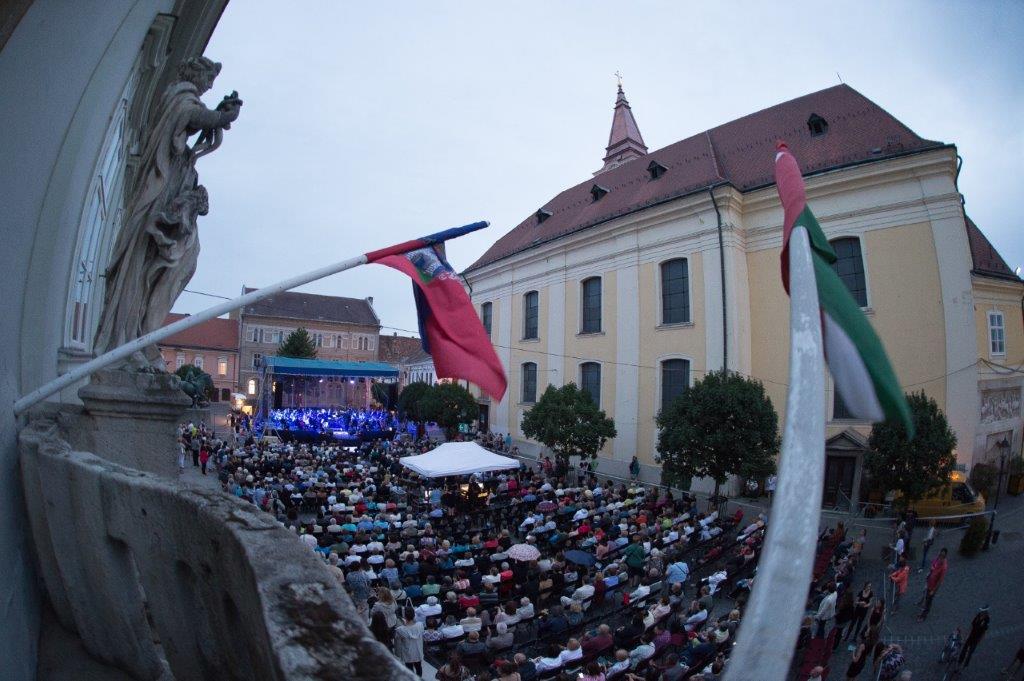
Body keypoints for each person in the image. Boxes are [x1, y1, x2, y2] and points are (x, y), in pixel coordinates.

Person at [917, 548, 948, 621]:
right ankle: (922, 613)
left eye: (942, 554)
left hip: (933, 587)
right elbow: (933, 567)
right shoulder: (938, 559)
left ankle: (923, 616)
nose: (940, 555)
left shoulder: (944, 566)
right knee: (926, 598)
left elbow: (940, 580)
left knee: (928, 601)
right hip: (929, 582)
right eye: (940, 553)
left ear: (945, 555)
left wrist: (933, 590)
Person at [394, 608, 425, 676]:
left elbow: (397, 643)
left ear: (404, 616)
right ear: (414, 615)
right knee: (418, 668)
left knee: (409, 670)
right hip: (418, 651)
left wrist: (398, 654)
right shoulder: (420, 625)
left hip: (408, 653)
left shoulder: (400, 630)